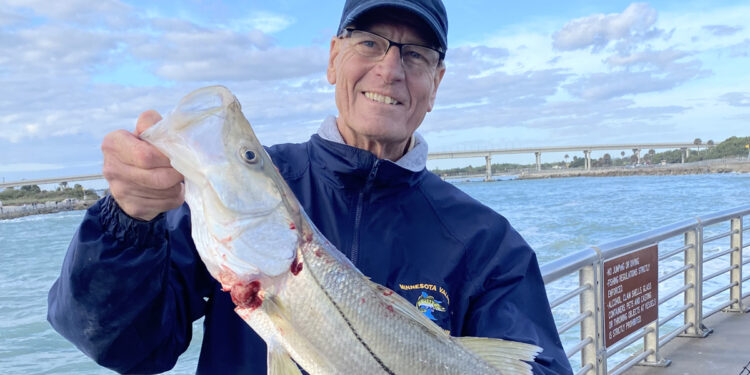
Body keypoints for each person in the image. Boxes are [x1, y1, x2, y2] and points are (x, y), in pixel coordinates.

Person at [48, 0, 573, 374]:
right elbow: (124, 346)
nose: (389, 69)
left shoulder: (489, 242)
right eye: (370, 42)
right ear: (332, 59)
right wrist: (130, 220)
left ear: (435, 85)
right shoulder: (242, 199)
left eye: (415, 55)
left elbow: (539, 364)